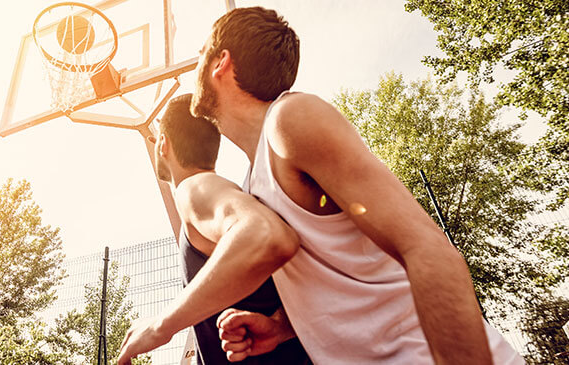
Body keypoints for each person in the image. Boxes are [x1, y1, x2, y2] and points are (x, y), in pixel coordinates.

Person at [118, 7, 523, 364]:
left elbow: (428, 250)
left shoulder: (290, 119)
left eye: (200, 55)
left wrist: (163, 323)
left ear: (220, 62)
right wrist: (283, 326)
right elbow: (349, 273)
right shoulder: (255, 179)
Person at [151, 93, 309, 364]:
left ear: (163, 143)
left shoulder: (196, 188)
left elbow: (264, 233)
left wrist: (161, 325)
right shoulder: (213, 201)